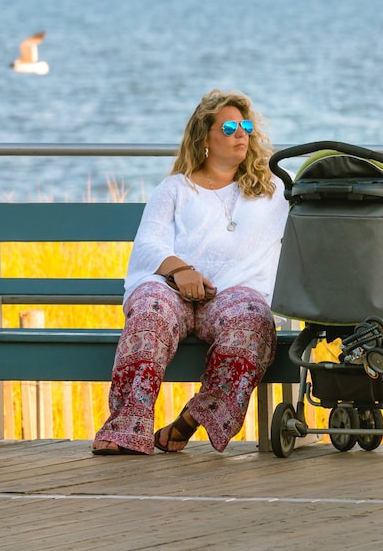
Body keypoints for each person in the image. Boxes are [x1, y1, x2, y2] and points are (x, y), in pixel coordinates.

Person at [91, 89, 289, 455]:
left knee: (252, 322)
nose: (241, 134)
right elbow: (148, 245)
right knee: (149, 312)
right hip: (173, 291)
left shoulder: (274, 190)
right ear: (205, 137)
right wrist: (181, 271)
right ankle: (126, 428)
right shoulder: (175, 189)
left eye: (245, 125)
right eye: (229, 127)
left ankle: (190, 420)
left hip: (234, 297)